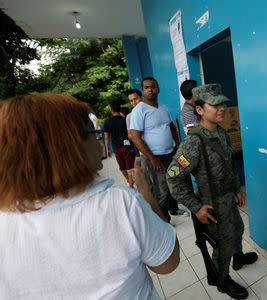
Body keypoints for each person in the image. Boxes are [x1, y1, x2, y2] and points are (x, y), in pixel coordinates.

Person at [0, 94, 180, 299]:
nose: (101, 146)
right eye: (93, 134)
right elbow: (167, 262)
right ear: (67, 146)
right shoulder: (119, 204)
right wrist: (145, 191)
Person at [167, 84, 258, 299]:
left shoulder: (221, 133)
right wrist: (196, 207)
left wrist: (237, 189)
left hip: (228, 197)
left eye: (222, 103)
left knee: (237, 229)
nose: (222, 108)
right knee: (222, 245)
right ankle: (222, 281)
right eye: (215, 104)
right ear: (199, 110)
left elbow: (229, 165)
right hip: (212, 204)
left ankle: (238, 258)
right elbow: (173, 178)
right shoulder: (193, 142)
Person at [129, 77, 188, 221]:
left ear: (158, 89)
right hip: (154, 157)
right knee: (161, 190)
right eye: (147, 87)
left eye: (153, 87)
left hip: (169, 153)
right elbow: (135, 136)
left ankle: (174, 209)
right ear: (143, 90)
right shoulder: (139, 110)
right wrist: (152, 158)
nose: (150, 90)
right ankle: (164, 220)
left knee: (173, 183)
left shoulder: (162, 107)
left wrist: (177, 144)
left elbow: (171, 126)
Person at [103, 101, 135, 188]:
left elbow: (106, 137)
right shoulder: (124, 119)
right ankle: (131, 185)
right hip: (127, 146)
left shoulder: (107, 122)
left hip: (116, 148)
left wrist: (108, 150)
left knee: (122, 167)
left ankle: (129, 182)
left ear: (111, 109)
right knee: (130, 167)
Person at [126, 89, 143, 163]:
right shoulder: (129, 116)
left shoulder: (151, 110)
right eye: (131, 101)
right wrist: (137, 134)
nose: (134, 103)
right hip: (143, 152)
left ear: (141, 98)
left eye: (135, 99)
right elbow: (129, 135)